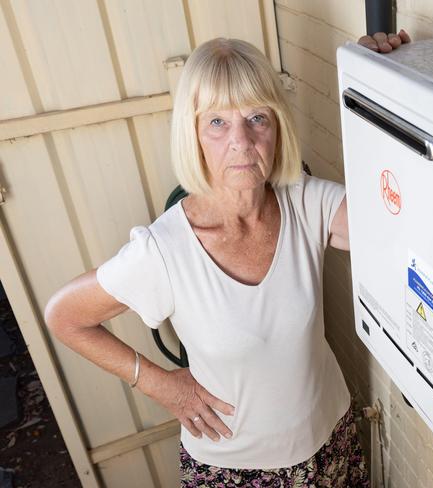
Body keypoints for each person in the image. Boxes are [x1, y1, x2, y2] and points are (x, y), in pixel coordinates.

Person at [44, 30, 410, 487]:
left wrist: (382, 87)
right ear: (193, 133)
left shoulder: (305, 202)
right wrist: (161, 385)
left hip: (330, 441)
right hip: (236, 470)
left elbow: (398, 223)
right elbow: (63, 316)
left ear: (277, 127)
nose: (241, 141)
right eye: (217, 122)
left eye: (257, 118)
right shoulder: (164, 250)